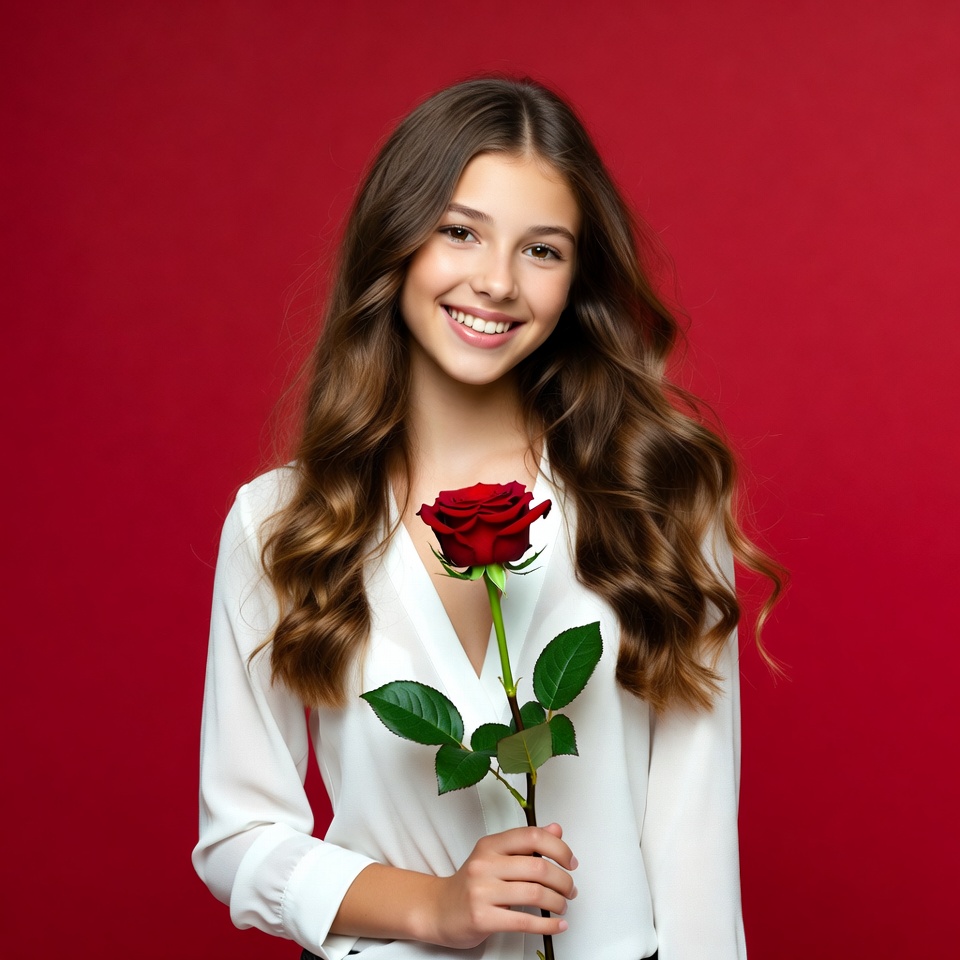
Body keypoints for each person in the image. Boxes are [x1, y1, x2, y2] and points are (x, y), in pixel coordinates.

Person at [193, 76, 781, 960]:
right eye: (460, 232)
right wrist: (434, 907)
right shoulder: (280, 523)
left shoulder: (655, 497)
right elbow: (238, 838)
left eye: (542, 251)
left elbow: (697, 847)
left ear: (576, 276)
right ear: (396, 243)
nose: (497, 282)